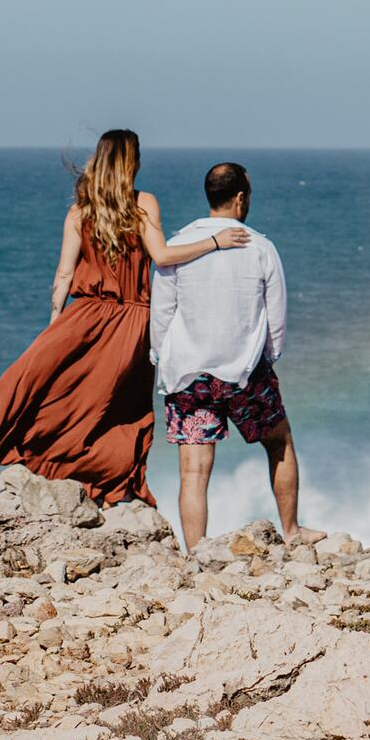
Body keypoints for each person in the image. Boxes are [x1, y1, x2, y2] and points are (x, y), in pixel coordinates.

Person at [0, 130, 248, 506]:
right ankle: (105, 482)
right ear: (130, 163)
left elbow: (63, 276)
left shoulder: (79, 211)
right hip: (132, 322)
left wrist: (54, 328)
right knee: (118, 408)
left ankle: (64, 469)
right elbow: (163, 256)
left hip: (83, 315)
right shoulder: (143, 203)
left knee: (67, 396)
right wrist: (215, 242)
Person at [150, 162, 320, 551]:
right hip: (246, 371)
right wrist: (270, 358)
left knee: (193, 470)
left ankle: (196, 551)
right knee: (279, 442)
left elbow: (161, 314)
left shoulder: (179, 245)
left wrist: (163, 357)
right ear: (241, 198)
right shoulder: (260, 247)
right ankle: (291, 531)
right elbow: (275, 316)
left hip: (189, 374)